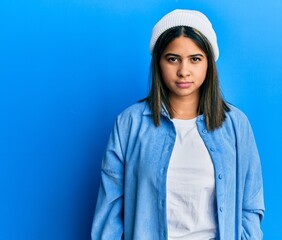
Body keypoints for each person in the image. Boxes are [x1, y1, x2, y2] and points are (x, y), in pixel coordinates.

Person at [91, 9, 265, 240]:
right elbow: (109, 213)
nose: (184, 71)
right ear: (158, 63)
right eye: (173, 59)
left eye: (195, 59)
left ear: (208, 64)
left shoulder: (235, 125)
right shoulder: (129, 124)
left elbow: (250, 205)